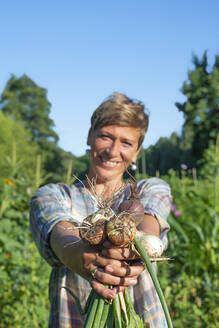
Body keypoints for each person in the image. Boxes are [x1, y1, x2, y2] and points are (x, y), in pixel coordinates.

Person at [30, 92, 172, 328]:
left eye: (126, 142)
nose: (113, 150)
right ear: (89, 137)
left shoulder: (150, 188)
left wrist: (141, 245)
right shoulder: (52, 195)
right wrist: (80, 255)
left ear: (137, 151)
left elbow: (149, 225)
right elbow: (61, 233)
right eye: (106, 137)